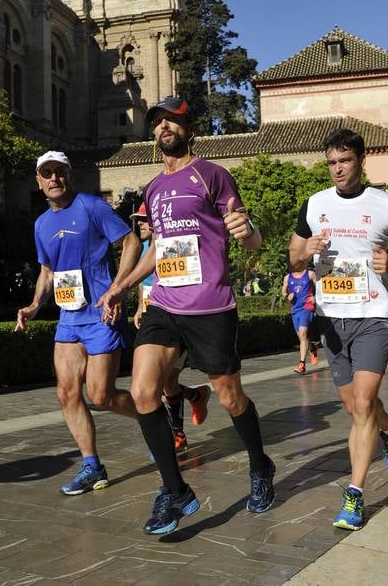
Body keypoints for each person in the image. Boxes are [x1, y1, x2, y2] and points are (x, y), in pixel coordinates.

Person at [99, 97, 274, 535]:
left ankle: (260, 466)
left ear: (189, 129)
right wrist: (121, 286)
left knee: (231, 398)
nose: (164, 127)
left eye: (173, 121)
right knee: (143, 393)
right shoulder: (153, 189)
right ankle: (176, 491)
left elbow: (249, 236)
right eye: (157, 122)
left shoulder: (212, 174)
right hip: (164, 303)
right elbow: (159, 250)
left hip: (210, 305)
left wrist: (249, 231)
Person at [288, 128, 388, 531]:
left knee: (362, 404)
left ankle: (354, 495)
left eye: (345, 160)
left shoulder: (385, 205)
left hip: (374, 315)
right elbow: (293, 260)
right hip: (331, 319)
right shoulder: (314, 205)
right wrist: (305, 252)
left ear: (361, 161)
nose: (337, 169)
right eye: (331, 162)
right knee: (354, 407)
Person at [15, 151, 142, 495]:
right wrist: (35, 305)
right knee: (66, 392)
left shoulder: (92, 207)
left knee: (101, 395)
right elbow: (47, 271)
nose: (54, 178)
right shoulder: (42, 224)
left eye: (59, 172)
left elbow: (131, 242)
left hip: (101, 314)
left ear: (69, 175)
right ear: (38, 181)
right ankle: (92, 466)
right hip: (69, 318)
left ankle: (155, 415)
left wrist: (117, 288)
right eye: (47, 173)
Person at [131, 203, 211, 455]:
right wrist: (139, 307)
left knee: (162, 382)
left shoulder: (176, 244)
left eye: (144, 219)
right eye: (138, 219)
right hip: (154, 320)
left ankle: (176, 434)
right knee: (165, 382)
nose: (140, 224)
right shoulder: (144, 249)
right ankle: (195, 397)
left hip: (177, 321)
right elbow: (143, 284)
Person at [281, 267, 319, 373]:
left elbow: (321, 288)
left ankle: (302, 364)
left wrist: (316, 298)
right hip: (295, 309)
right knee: (302, 337)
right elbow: (283, 291)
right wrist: (287, 296)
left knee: (303, 334)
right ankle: (312, 347)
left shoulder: (310, 274)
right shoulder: (287, 277)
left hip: (307, 307)